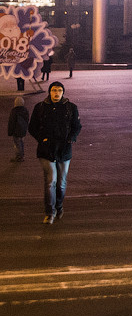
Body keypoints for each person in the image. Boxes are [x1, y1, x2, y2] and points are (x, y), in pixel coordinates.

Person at [28, 82, 81, 223]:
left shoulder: (71, 108)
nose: (56, 93)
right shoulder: (40, 107)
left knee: (61, 183)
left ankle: (59, 205)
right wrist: (42, 139)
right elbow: (32, 127)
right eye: (53, 90)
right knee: (51, 181)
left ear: (63, 92)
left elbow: (77, 126)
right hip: (46, 150)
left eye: (59, 90)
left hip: (64, 150)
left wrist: (71, 139)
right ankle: (49, 212)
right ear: (49, 92)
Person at [8, 95, 28, 162]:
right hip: (23, 130)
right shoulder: (25, 110)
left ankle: (19, 156)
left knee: (17, 144)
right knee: (21, 142)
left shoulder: (14, 111)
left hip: (16, 130)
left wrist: (10, 131)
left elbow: (12, 122)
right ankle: (21, 155)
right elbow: (27, 120)